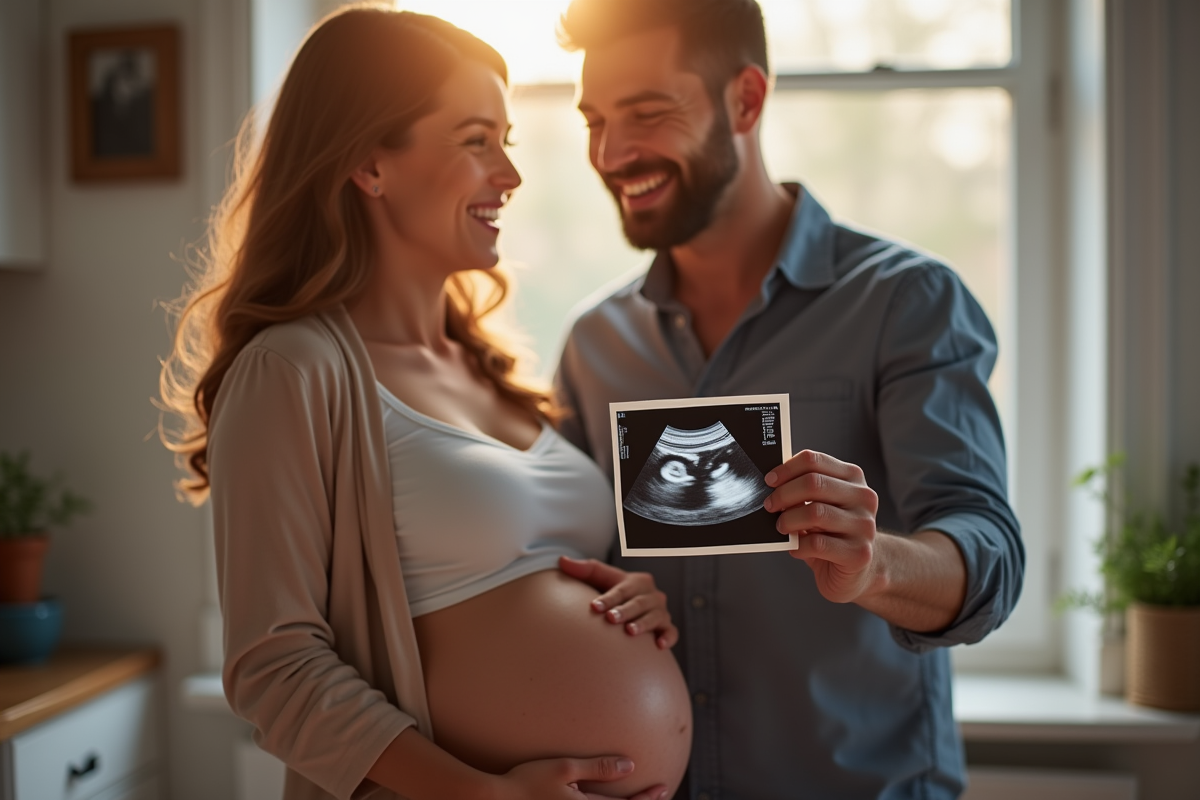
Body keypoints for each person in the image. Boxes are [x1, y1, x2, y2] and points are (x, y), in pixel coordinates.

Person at [158, 7, 693, 800]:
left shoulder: (493, 370)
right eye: (475, 141)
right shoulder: (292, 371)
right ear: (371, 165)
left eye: (505, 144)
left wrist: (628, 594)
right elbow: (273, 667)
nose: (508, 176)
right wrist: (483, 795)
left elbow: (525, 581)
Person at [552, 0, 1025, 797]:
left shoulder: (906, 303)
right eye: (594, 120)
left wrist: (873, 566)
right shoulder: (594, 345)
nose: (611, 151)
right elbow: (568, 566)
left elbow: (989, 554)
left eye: (648, 113)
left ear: (746, 99)